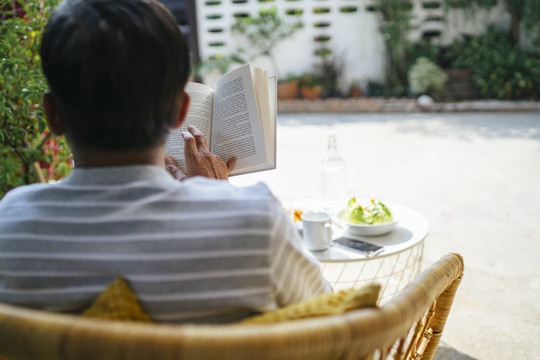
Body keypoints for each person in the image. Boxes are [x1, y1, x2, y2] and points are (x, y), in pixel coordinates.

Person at [0, 0, 329, 323]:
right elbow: (334, 323)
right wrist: (215, 199)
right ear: (180, 110)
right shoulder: (256, 223)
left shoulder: (9, 227)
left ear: (53, 115)